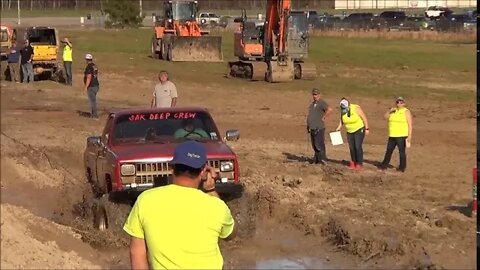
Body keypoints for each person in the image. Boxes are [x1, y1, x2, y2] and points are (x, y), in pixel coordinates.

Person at [123, 141, 236, 269]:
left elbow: (137, 253)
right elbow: (230, 234)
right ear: (203, 171)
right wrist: (210, 189)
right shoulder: (217, 207)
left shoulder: (145, 200)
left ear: (172, 167)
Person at [379, 97, 413, 172]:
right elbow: (385, 117)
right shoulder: (393, 111)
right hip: (392, 134)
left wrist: (409, 136)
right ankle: (384, 165)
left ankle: (402, 167)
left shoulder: (406, 112)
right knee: (389, 150)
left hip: (401, 135)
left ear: (404, 103)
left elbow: (410, 124)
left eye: (401, 102)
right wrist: (389, 111)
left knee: (401, 152)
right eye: (397, 102)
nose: (399, 104)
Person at [335, 98, 370, 171]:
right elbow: (342, 120)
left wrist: (366, 128)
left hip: (359, 129)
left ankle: (359, 163)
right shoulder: (343, 110)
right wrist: (338, 128)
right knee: (351, 147)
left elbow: (364, 117)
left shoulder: (356, 108)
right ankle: (353, 162)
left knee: (357, 146)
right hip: (349, 131)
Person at [306, 88, 333, 165]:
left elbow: (330, 109)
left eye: (316, 94)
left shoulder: (322, 103)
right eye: (314, 94)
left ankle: (322, 159)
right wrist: (308, 125)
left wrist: (324, 117)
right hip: (312, 127)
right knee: (314, 144)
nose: (315, 96)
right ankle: (317, 158)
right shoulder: (312, 104)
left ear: (319, 95)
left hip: (319, 127)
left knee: (319, 144)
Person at [83, 53, 100, 119]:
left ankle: (94, 115)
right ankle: (94, 114)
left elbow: (89, 77)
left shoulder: (89, 67)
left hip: (91, 86)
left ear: (87, 60)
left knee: (92, 101)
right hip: (96, 85)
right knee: (94, 100)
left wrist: (86, 87)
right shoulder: (94, 66)